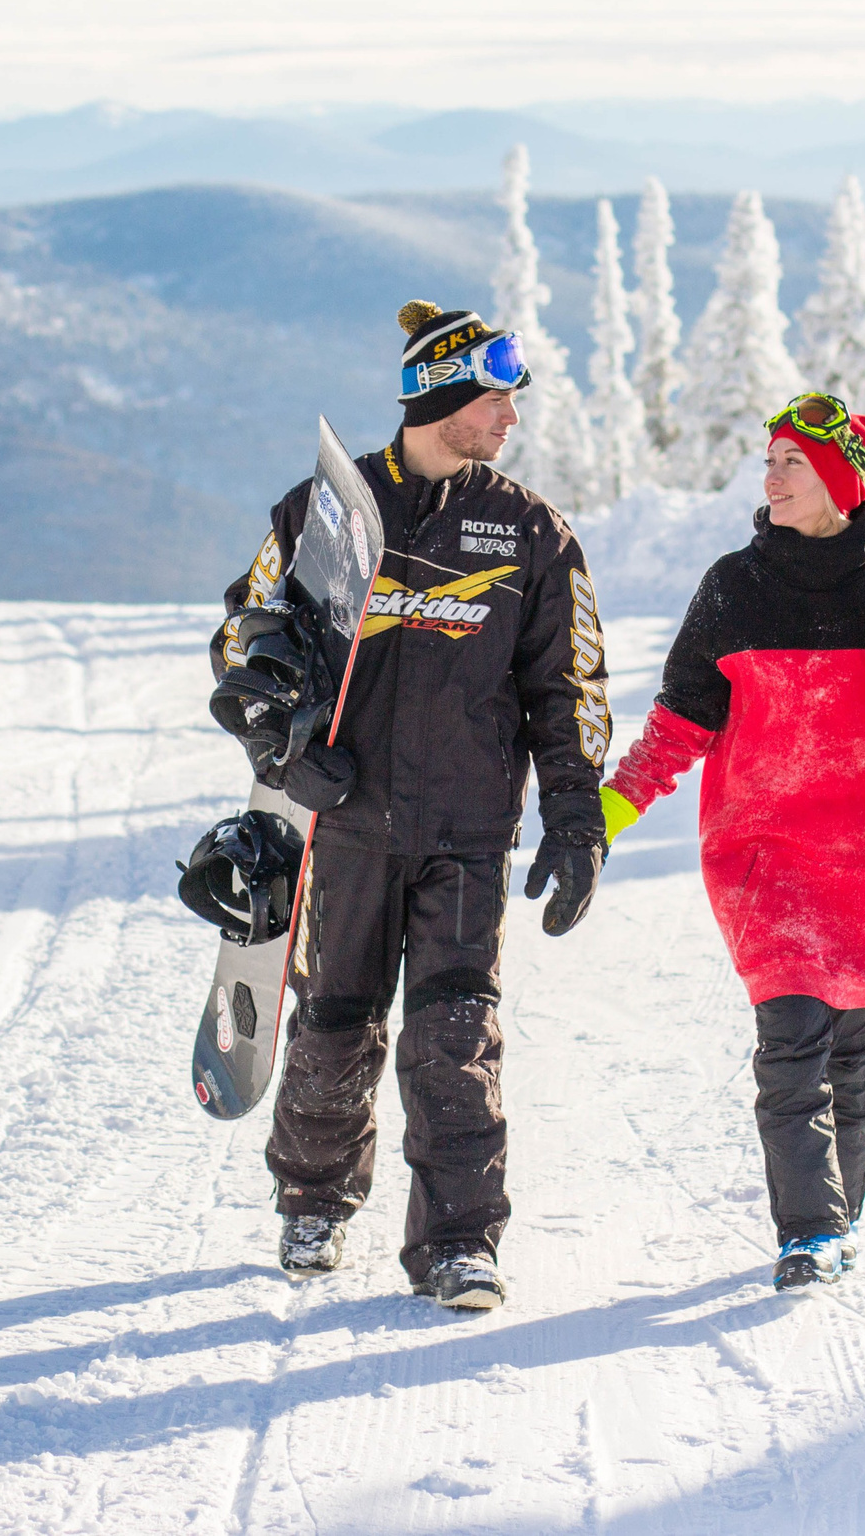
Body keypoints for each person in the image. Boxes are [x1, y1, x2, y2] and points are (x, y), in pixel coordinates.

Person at [208, 299, 613, 1310]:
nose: (510, 420)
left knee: (454, 1034)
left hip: (467, 835)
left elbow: (572, 687)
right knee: (332, 1023)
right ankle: (313, 1202)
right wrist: (284, 747)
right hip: (345, 827)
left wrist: (575, 813)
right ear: (440, 396)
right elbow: (239, 646)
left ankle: (459, 1245)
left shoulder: (527, 533)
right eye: (494, 399)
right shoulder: (322, 517)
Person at [595, 395, 865, 1291]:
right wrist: (612, 807)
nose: (769, 479)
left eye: (790, 463)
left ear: (842, 479)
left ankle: (843, 1212)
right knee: (792, 1040)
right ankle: (808, 1230)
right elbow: (682, 719)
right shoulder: (735, 585)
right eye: (769, 461)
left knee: (852, 1051)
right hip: (762, 854)